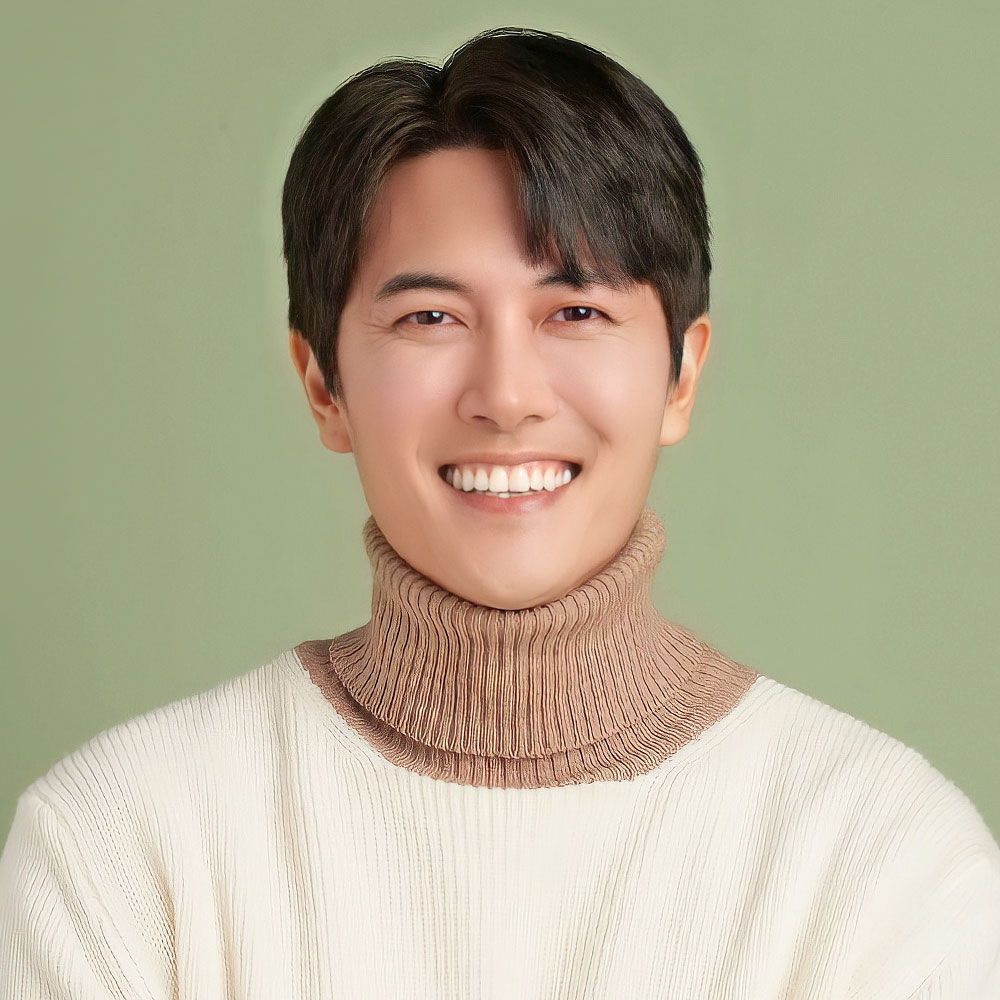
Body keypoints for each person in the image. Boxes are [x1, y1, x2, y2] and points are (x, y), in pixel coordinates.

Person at [2, 25, 999, 999]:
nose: (507, 396)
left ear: (682, 374)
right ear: (322, 385)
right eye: (430, 317)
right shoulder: (124, 848)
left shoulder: (880, 861)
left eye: (577, 311)